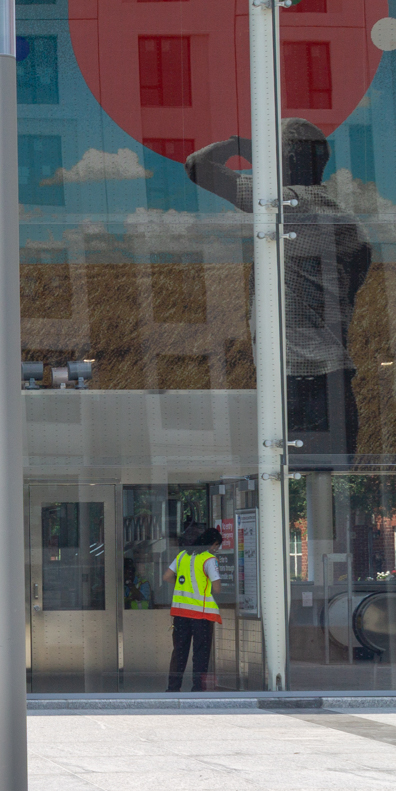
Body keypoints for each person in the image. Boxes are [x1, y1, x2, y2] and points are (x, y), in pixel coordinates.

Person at [186, 120, 371, 458]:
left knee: (285, 483)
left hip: (294, 379)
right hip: (335, 377)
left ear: (282, 161)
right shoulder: (346, 221)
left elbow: (197, 166)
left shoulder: (284, 205)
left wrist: (237, 147)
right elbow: (358, 275)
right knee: (328, 488)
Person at [162, 527, 222, 692]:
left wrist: (183, 584)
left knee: (179, 652)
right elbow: (216, 588)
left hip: (180, 613)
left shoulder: (182, 556)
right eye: (217, 545)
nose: (216, 549)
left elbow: (166, 576)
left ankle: (173, 688)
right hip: (201, 614)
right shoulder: (209, 559)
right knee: (200, 654)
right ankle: (197, 689)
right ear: (212, 544)